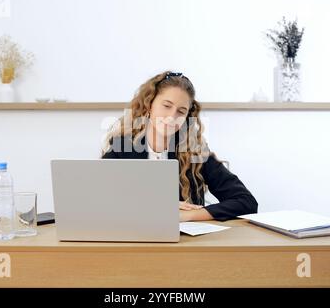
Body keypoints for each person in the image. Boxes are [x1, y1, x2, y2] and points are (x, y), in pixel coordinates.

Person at [101, 71, 257, 222]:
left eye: (181, 111)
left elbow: (246, 202)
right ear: (149, 105)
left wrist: (188, 216)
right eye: (167, 106)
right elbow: (101, 201)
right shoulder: (122, 147)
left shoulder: (194, 151)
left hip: (183, 244)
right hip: (134, 239)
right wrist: (161, 208)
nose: (172, 117)